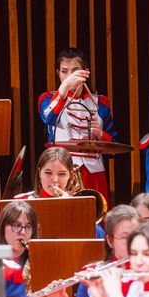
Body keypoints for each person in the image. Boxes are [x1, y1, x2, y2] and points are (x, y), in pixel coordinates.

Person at [38, 48, 118, 205]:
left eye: (75, 71)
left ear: (86, 72)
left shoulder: (101, 102)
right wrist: (64, 87)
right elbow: (48, 117)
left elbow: (114, 149)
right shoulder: (47, 98)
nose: (70, 77)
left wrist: (101, 134)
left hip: (94, 173)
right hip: (61, 173)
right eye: (64, 72)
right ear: (58, 73)